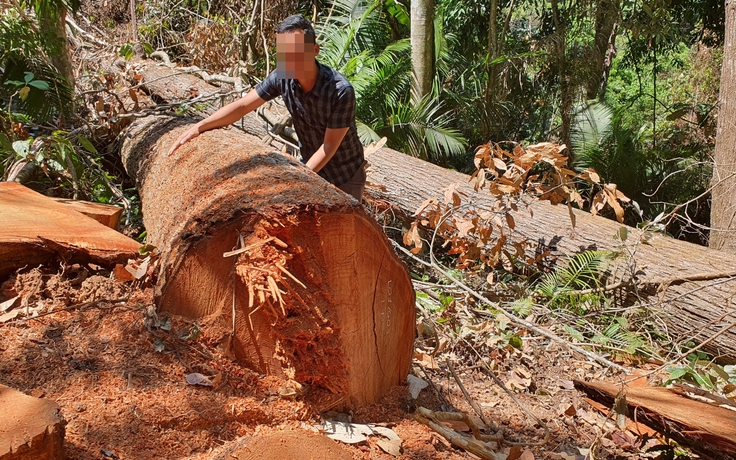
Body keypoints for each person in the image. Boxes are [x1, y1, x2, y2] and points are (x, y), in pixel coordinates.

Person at [167, 14, 366, 201]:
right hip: (309, 166)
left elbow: (328, 147)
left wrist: (300, 177)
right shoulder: (283, 75)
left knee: (342, 231)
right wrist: (199, 127)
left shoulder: (340, 90)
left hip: (344, 175)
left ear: (314, 50)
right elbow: (243, 105)